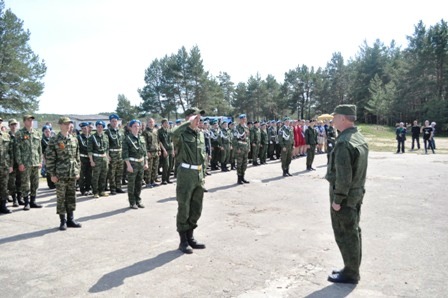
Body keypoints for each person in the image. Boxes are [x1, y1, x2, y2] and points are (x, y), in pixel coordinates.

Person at [325, 104, 368, 284]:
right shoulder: (357, 137)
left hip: (345, 197)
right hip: (356, 193)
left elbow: (343, 177)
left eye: (335, 116)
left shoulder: (344, 143)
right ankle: (351, 268)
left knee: (345, 234)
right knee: (353, 232)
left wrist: (338, 200)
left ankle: (351, 273)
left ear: (343, 118)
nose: (332, 119)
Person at [171, 107, 206, 254]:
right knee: (184, 207)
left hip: (198, 174)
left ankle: (191, 237)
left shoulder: (200, 134)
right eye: (195, 117)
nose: (198, 120)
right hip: (186, 173)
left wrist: (203, 176)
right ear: (189, 118)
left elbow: (203, 155)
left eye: (199, 118)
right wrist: (188, 122)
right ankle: (183, 240)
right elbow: (172, 133)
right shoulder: (181, 134)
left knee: (196, 208)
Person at [45, 117, 82, 230]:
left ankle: (71, 219)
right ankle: (63, 221)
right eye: (65, 124)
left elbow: (77, 157)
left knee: (71, 196)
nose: (68, 126)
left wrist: (78, 171)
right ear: (60, 125)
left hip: (72, 173)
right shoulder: (54, 140)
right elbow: (50, 158)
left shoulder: (73, 139)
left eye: (69, 124)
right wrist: (52, 174)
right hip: (60, 174)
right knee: (61, 197)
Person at [15, 115, 43, 210]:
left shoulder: (36, 133)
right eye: (28, 120)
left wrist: (40, 161)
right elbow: (17, 149)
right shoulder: (19, 133)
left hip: (35, 162)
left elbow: (39, 148)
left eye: (31, 120)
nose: (30, 122)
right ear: (24, 121)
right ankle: (26, 202)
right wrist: (20, 163)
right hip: (25, 163)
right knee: (25, 183)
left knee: (35, 183)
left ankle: (33, 201)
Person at [123, 120, 148, 209]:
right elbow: (125, 154)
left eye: (138, 126)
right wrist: (128, 165)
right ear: (130, 128)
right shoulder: (127, 139)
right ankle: (132, 202)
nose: (137, 128)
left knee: (139, 183)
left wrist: (146, 162)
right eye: (134, 126)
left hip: (141, 163)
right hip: (132, 163)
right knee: (131, 184)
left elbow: (144, 152)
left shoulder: (141, 138)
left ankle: (138, 200)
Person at [88, 120, 110, 198]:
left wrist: (108, 158)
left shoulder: (106, 136)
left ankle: (102, 191)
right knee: (96, 176)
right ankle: (95, 192)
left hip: (104, 158)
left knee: (103, 175)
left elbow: (107, 148)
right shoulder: (92, 137)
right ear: (96, 127)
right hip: (96, 158)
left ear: (103, 127)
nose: (100, 128)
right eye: (98, 127)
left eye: (101, 127)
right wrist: (91, 160)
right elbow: (89, 150)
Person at [105, 114, 124, 195]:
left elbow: (123, 142)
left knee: (119, 171)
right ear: (110, 122)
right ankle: (112, 188)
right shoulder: (107, 132)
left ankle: (118, 187)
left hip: (120, 153)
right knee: (112, 172)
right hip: (112, 153)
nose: (114, 123)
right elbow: (106, 144)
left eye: (115, 121)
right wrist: (107, 155)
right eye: (113, 121)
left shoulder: (120, 131)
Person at [8, 118, 23, 207]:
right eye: (12, 125)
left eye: (15, 124)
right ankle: (14, 200)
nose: (13, 126)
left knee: (20, 181)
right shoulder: (7, 136)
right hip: (11, 163)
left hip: (20, 162)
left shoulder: (20, 135)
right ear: (9, 126)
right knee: (12, 182)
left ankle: (20, 198)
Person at [142, 118, 160, 188]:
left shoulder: (156, 131)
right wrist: (147, 152)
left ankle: (153, 181)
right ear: (147, 123)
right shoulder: (145, 132)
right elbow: (144, 143)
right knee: (149, 168)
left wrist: (159, 150)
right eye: (149, 122)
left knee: (155, 168)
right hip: (150, 152)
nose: (151, 123)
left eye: (152, 122)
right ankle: (148, 182)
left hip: (156, 151)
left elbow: (158, 141)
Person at [233, 114, 250, 184]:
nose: (244, 120)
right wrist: (237, 148)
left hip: (245, 148)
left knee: (245, 164)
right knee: (239, 164)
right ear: (240, 120)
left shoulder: (246, 127)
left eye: (244, 119)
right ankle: (239, 178)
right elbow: (234, 139)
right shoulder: (236, 128)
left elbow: (248, 138)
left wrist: (249, 147)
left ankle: (243, 177)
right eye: (242, 119)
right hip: (240, 148)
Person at [0, 122, 13, 214]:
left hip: (4, 166)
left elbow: (10, 152)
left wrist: (11, 165)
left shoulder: (6, 136)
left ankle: (3, 206)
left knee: (4, 187)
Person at [77, 122, 93, 196]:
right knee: (82, 175)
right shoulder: (79, 137)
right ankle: (82, 190)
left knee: (89, 175)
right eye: (83, 128)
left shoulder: (92, 137)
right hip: (82, 158)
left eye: (85, 128)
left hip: (90, 158)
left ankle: (88, 188)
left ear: (88, 128)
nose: (84, 130)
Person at [158, 118, 174, 185]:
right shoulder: (160, 131)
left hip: (170, 149)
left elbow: (171, 141)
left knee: (170, 165)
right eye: (165, 123)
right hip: (165, 150)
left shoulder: (169, 131)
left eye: (167, 123)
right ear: (162, 124)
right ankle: (163, 179)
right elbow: (159, 142)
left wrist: (173, 150)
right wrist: (164, 150)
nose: (167, 124)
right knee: (166, 165)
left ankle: (168, 179)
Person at [41, 125, 56, 189]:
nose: (47, 133)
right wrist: (44, 160)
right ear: (43, 132)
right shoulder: (42, 140)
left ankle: (54, 183)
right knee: (49, 171)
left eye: (48, 131)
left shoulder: (52, 139)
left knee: (54, 170)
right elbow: (42, 151)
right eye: (46, 131)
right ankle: (50, 184)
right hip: (47, 157)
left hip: (54, 157)